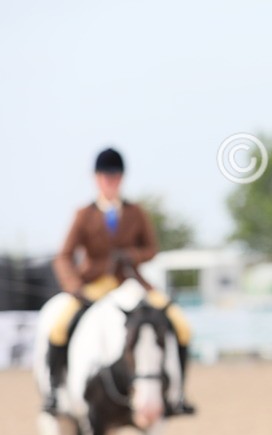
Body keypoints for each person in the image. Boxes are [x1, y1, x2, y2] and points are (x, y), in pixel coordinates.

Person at [47, 148, 195, 416]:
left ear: (121, 178)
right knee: (59, 327)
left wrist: (131, 255)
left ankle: (177, 394)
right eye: (105, 176)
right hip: (95, 284)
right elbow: (64, 256)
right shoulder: (84, 214)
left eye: (114, 176)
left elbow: (151, 248)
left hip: (130, 281)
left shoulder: (136, 212)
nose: (110, 181)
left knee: (181, 325)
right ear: (96, 178)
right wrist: (74, 288)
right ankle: (55, 392)